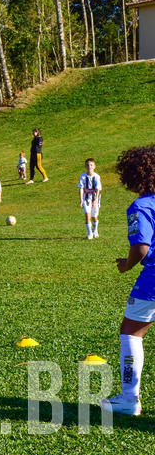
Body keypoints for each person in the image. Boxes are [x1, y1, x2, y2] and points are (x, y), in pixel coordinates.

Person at [101, 146, 155, 417]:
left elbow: (141, 248)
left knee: (131, 332)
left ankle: (129, 399)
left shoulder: (141, 206)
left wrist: (126, 265)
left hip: (153, 280)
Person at [78, 158, 102, 239]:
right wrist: (81, 200)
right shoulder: (83, 176)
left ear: (94, 166)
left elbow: (98, 189)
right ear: (85, 166)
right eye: (87, 165)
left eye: (91, 165)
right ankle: (90, 233)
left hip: (94, 199)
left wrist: (95, 200)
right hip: (86, 199)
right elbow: (81, 188)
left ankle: (95, 229)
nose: (89, 167)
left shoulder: (97, 177)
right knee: (87, 215)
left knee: (94, 217)